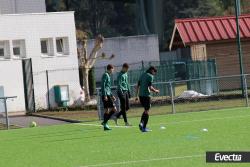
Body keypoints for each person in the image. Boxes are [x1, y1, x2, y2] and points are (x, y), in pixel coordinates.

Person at [136, 66, 160, 132]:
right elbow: (150, 87)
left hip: (141, 96)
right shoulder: (150, 76)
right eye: (154, 72)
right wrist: (156, 91)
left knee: (146, 109)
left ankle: (141, 123)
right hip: (146, 95)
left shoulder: (142, 75)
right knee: (147, 111)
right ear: (152, 70)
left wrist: (136, 96)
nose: (154, 74)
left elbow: (137, 85)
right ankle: (144, 128)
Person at [101, 64, 117, 131]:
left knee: (107, 110)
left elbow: (108, 87)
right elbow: (103, 85)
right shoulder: (105, 75)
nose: (113, 71)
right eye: (112, 69)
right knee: (114, 109)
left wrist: (112, 95)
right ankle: (105, 122)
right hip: (106, 95)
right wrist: (105, 95)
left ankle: (105, 125)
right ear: (110, 69)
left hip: (107, 94)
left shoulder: (108, 76)